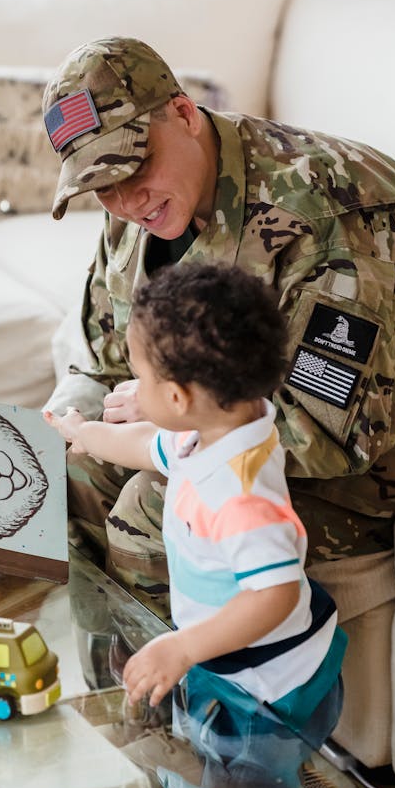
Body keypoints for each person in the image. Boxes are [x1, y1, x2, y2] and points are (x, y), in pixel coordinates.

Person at [42, 35, 395, 616]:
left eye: (133, 166)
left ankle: (174, 700)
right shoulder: (139, 210)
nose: (127, 199)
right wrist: (65, 426)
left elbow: (329, 437)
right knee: (63, 482)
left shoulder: (331, 218)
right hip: (236, 417)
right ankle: (79, 691)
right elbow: (103, 353)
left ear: (184, 114)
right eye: (100, 185)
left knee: (161, 507)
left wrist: (174, 418)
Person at [46, 262, 346, 749]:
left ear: (179, 397)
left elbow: (276, 593)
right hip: (229, 664)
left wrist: (182, 647)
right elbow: (148, 443)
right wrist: (85, 433)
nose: (134, 391)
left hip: (268, 691)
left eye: (140, 379)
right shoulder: (221, 429)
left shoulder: (239, 492)